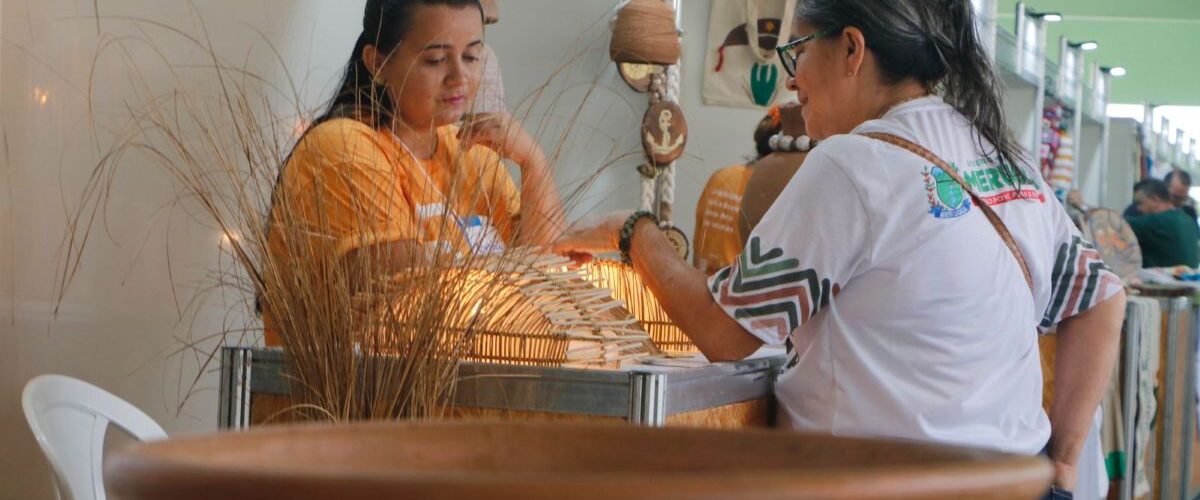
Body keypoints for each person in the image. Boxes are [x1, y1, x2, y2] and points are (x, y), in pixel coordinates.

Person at [554, 1, 1125, 497]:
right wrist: (1064, 462)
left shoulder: (853, 164)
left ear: (852, 49)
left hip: (878, 484)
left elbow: (724, 332)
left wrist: (634, 233)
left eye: (798, 50)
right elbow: (1100, 299)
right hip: (1015, 483)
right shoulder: (1006, 158)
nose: (793, 81)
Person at [264, 0, 563, 344]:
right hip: (367, 395)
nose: (459, 77)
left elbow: (547, 289)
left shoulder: (473, 152)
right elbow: (403, 297)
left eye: (471, 57)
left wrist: (534, 164)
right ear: (378, 63)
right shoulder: (342, 147)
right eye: (435, 60)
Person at [693, 104, 809, 275]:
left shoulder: (722, 177)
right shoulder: (774, 190)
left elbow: (698, 253)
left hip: (702, 286)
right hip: (739, 293)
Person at [1124, 179, 1199, 268]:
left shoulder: (1159, 222)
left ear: (1155, 199)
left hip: (1162, 281)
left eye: (1140, 203)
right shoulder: (1189, 221)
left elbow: (1115, 222)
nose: (1138, 209)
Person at [1124, 169, 1198, 219]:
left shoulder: (1189, 213)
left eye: (1184, 199)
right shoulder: (1138, 209)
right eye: (1176, 197)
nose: (1180, 203)